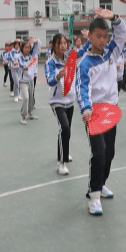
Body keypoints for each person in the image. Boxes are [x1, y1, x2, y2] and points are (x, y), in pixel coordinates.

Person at [76, 8, 126, 216]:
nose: (103, 40)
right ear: (90, 36)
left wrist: (114, 18)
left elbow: (121, 33)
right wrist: (86, 108)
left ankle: (102, 183)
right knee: (99, 153)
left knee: (110, 153)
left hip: (111, 111)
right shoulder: (85, 63)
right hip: (94, 114)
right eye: (99, 36)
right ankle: (94, 195)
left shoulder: (111, 52)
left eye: (105, 36)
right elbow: (82, 88)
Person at [45, 34, 76, 175]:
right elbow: (50, 81)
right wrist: (58, 76)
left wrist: (88, 40)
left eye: (65, 43)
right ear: (54, 46)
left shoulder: (70, 57)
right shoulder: (50, 63)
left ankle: (66, 152)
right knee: (64, 127)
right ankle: (61, 163)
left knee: (67, 129)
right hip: (57, 101)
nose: (63, 45)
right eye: (60, 43)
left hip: (70, 100)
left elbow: (83, 53)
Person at [16, 37, 41, 124]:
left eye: (28, 47)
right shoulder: (19, 56)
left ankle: (30, 113)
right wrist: (23, 67)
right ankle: (23, 116)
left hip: (31, 81)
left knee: (31, 98)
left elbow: (38, 47)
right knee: (26, 98)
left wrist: (36, 41)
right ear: (22, 48)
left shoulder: (32, 56)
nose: (27, 49)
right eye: (25, 47)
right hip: (23, 82)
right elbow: (20, 64)